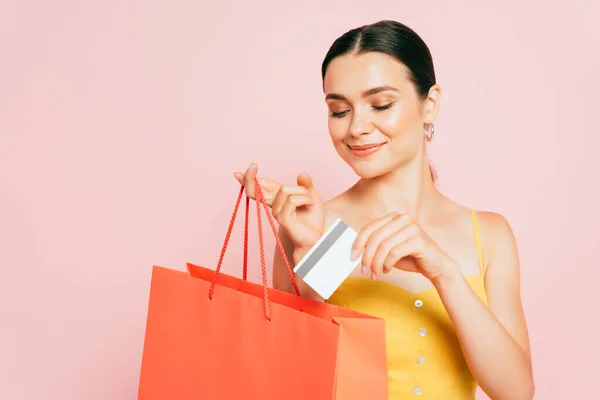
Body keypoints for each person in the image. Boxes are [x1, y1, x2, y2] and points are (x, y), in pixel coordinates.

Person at [234, 20, 534, 400]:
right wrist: (311, 255)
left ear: (430, 105)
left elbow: (516, 392)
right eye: (340, 111)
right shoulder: (313, 225)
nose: (357, 127)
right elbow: (290, 371)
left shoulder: (489, 235)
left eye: (381, 105)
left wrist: (444, 272)